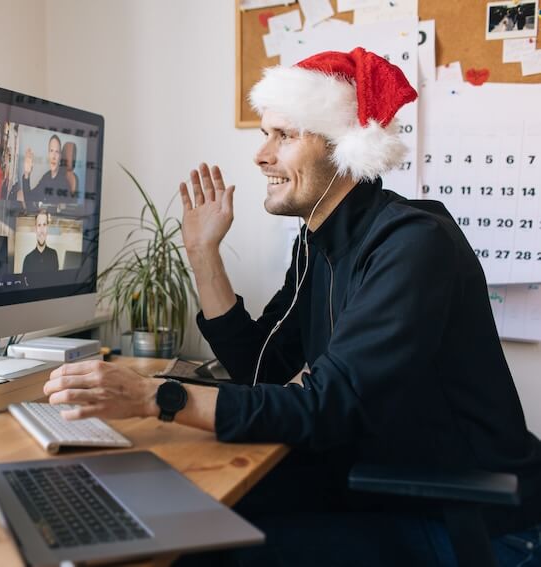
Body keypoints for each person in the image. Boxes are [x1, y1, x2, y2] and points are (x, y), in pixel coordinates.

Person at [42, 47, 541, 566]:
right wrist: (202, 254)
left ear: (344, 146)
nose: (262, 155)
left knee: (198, 552)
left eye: (285, 135)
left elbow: (328, 406)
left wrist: (158, 397)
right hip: (383, 489)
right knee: (177, 514)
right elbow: (262, 369)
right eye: (265, 134)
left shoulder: (412, 246)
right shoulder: (316, 245)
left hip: (473, 526)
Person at [20, 134, 72, 204]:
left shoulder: (64, 184)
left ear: (60, 157)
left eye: (57, 152)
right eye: (51, 151)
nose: (53, 156)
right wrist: (27, 173)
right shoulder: (46, 177)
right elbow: (29, 198)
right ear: (48, 154)